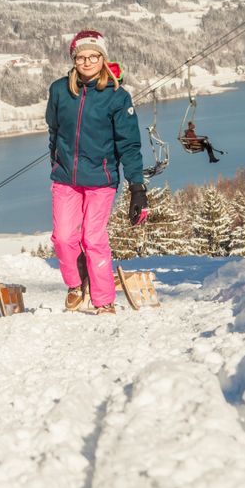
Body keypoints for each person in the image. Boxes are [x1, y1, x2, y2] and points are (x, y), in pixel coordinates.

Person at [46, 30, 148, 314]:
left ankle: (103, 299)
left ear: (103, 59)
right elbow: (54, 130)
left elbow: (129, 144)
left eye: (94, 56)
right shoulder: (59, 90)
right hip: (65, 177)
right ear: (73, 59)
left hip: (101, 179)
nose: (88, 62)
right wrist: (56, 161)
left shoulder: (117, 97)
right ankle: (77, 284)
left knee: (93, 238)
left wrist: (137, 187)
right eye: (81, 57)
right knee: (63, 238)